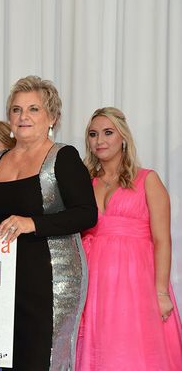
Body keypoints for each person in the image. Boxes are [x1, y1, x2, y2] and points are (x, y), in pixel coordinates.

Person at [0, 76, 97, 370]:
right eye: (17, 109)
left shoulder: (63, 157)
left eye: (34, 109)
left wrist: (32, 223)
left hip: (49, 279)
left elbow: (87, 213)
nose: (24, 116)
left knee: (41, 359)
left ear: (52, 117)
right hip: (2, 281)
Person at [76, 107, 182, 370]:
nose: (99, 140)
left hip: (136, 284)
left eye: (108, 132)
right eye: (93, 134)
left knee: (132, 353)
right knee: (101, 351)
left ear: (123, 137)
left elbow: (162, 240)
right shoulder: (84, 184)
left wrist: (160, 292)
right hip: (95, 284)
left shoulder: (148, 180)